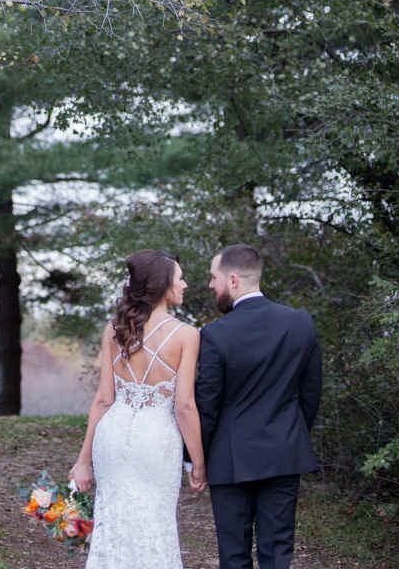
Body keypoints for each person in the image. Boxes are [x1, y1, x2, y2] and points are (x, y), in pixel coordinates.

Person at [69, 250, 206, 569]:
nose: (184, 284)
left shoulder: (114, 330)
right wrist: (198, 462)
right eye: (180, 278)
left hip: (112, 436)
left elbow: (104, 400)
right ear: (163, 285)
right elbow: (185, 406)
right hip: (156, 440)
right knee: (155, 523)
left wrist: (84, 460)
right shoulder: (187, 336)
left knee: (112, 522)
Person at [196, 243, 322, 569]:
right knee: (277, 552)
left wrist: (196, 457)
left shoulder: (215, 334)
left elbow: (208, 404)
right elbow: (311, 393)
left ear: (233, 280)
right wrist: (290, 433)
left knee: (234, 555)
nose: (211, 285)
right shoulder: (300, 323)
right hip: (283, 452)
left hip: (229, 459)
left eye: (214, 278)